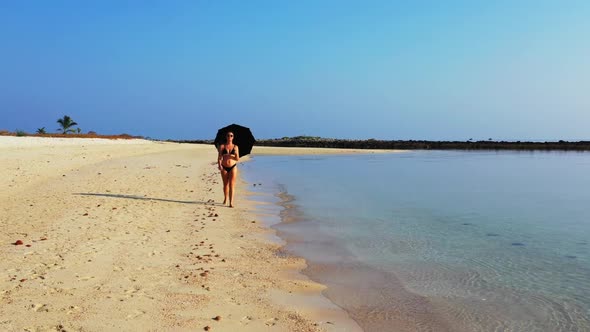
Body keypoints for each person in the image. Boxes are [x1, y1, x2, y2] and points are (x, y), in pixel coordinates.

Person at [217, 131, 240, 207]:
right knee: (225, 184)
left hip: (233, 167)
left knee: (232, 185)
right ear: (226, 137)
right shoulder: (222, 146)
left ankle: (231, 202)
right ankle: (225, 198)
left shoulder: (235, 147)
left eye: (231, 135)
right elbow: (220, 157)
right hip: (224, 167)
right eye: (228, 135)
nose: (229, 137)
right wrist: (219, 165)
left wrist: (235, 154)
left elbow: (237, 159)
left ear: (233, 137)